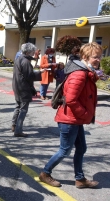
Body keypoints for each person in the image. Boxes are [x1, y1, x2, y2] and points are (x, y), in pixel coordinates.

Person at [39, 42, 101, 189]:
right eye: (95, 57)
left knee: (81, 148)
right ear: (85, 57)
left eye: (100, 56)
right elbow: (71, 99)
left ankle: (80, 179)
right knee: (64, 150)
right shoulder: (79, 74)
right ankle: (45, 173)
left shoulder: (86, 71)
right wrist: (85, 113)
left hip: (75, 119)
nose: (98, 59)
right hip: (69, 119)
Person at [11, 43, 46, 137]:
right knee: (23, 109)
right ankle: (18, 130)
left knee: (18, 106)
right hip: (23, 87)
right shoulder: (25, 61)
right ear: (28, 52)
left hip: (17, 85)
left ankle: (14, 125)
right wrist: (40, 72)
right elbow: (29, 76)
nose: (33, 53)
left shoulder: (19, 58)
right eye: (32, 52)